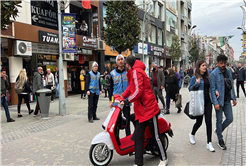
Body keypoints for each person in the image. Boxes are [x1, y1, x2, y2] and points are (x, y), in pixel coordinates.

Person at [121, 55, 168, 166]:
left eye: (125, 64)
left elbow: (138, 91)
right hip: (141, 110)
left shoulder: (136, 72)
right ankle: (138, 163)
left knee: (156, 135)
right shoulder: (134, 71)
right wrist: (122, 96)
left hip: (149, 109)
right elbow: (131, 87)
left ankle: (163, 158)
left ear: (128, 64)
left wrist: (128, 100)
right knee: (138, 137)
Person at [210, 54, 237, 150]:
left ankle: (218, 130)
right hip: (219, 101)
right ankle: (220, 139)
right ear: (217, 63)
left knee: (230, 118)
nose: (223, 65)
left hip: (227, 100)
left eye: (224, 63)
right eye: (221, 63)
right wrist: (215, 102)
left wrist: (234, 98)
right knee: (219, 120)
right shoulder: (214, 73)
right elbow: (212, 89)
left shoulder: (228, 72)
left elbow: (231, 85)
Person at [188, 60, 215, 152]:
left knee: (209, 122)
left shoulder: (208, 77)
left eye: (205, 65)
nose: (205, 67)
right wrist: (197, 83)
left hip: (208, 102)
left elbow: (211, 88)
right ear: (199, 67)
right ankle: (192, 134)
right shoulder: (195, 77)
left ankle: (209, 143)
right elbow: (190, 89)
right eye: (203, 65)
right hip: (199, 102)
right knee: (199, 122)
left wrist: (215, 91)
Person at [109, 54, 131, 136]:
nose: (120, 61)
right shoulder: (112, 74)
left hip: (126, 101)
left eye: (122, 59)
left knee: (127, 122)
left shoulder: (128, 72)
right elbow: (110, 88)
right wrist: (110, 101)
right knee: (116, 123)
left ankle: (128, 138)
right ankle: (117, 141)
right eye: (119, 59)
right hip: (116, 101)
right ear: (116, 62)